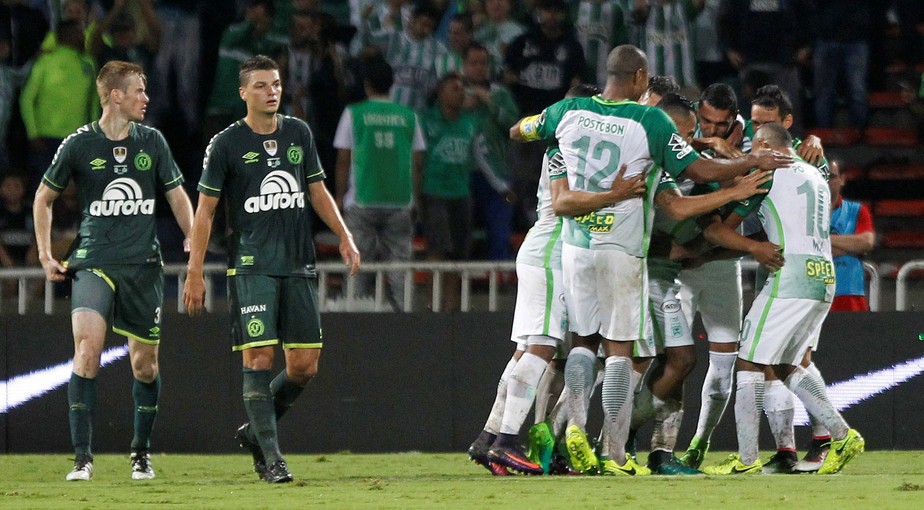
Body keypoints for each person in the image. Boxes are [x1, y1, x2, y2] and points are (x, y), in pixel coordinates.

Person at [510, 44, 791, 476]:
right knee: (622, 351)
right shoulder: (649, 122)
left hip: (574, 245)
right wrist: (746, 169)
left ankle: (575, 430)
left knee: (583, 343)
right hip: (621, 251)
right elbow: (694, 173)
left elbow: (518, 131)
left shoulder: (570, 111)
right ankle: (614, 452)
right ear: (640, 78)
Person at [183, 55, 360, 484]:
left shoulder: (298, 132)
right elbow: (205, 213)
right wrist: (194, 271)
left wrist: (344, 234)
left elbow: (317, 191)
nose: (272, 92)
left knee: (304, 365)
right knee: (260, 356)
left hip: (298, 263)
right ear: (243, 92)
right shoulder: (225, 144)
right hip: (250, 266)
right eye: (261, 86)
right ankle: (273, 456)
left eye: (276, 84)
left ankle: (256, 434)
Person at [32, 60, 194, 481]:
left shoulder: (153, 142)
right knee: (87, 350)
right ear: (116, 95)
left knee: (145, 366)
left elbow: (177, 195)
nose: (146, 97)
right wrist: (46, 254)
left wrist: (193, 238)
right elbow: (43, 198)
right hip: (94, 262)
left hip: (142, 266)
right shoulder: (79, 144)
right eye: (139, 90)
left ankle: (140, 453)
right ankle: (82, 458)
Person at [701, 123, 865, 476]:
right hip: (823, 277)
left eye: (755, 149)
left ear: (764, 146)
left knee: (748, 361)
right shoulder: (816, 175)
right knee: (789, 362)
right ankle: (842, 434)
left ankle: (746, 460)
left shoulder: (767, 174)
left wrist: (714, 219)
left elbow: (724, 227)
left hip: (789, 274)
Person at [333, 57, 424, 311]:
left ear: (366, 85)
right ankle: (404, 318)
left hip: (362, 202)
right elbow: (417, 162)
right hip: (400, 201)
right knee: (400, 267)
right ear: (392, 84)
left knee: (357, 264)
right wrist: (415, 198)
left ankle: (354, 317)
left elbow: (343, 159)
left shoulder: (354, 114)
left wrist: (339, 197)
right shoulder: (409, 116)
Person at [20, 19, 99, 192]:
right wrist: (33, 134)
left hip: (77, 138)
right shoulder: (45, 61)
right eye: (78, 32)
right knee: (45, 191)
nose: (82, 35)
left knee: (76, 191)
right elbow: (26, 99)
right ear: (64, 35)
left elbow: (93, 103)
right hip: (46, 138)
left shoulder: (88, 62)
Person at [828, 159, 875, 311]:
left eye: (831, 176)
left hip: (849, 294)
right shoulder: (805, 212)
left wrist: (823, 241)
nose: (826, 181)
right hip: (814, 294)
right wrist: (849, 247)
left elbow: (866, 242)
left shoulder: (857, 210)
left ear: (842, 179)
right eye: (821, 176)